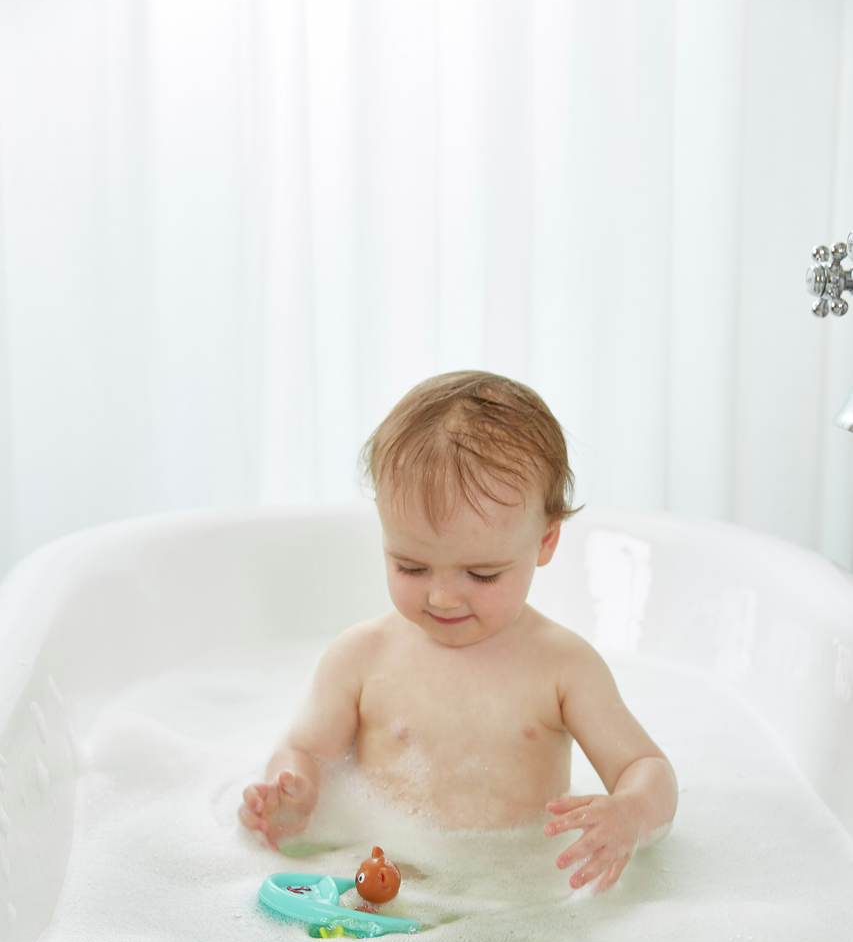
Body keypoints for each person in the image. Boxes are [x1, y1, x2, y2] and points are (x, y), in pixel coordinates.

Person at [238, 371, 677, 891]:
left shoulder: (562, 667)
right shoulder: (361, 658)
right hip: (380, 881)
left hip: (514, 891)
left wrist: (628, 814)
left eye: (483, 574)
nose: (442, 596)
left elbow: (647, 768)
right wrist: (293, 789)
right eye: (410, 567)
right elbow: (305, 750)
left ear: (546, 540)